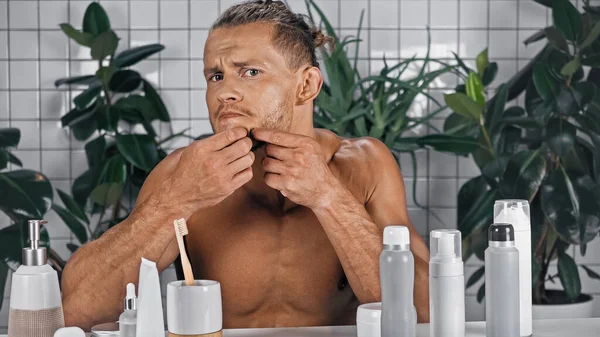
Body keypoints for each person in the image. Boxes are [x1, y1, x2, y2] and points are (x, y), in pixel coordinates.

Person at [60, 0, 430, 331]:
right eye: (216, 76)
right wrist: (176, 202)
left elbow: (426, 311)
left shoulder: (363, 165)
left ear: (307, 85)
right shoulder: (182, 175)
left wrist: (328, 196)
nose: (224, 92)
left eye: (250, 72)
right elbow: (77, 309)